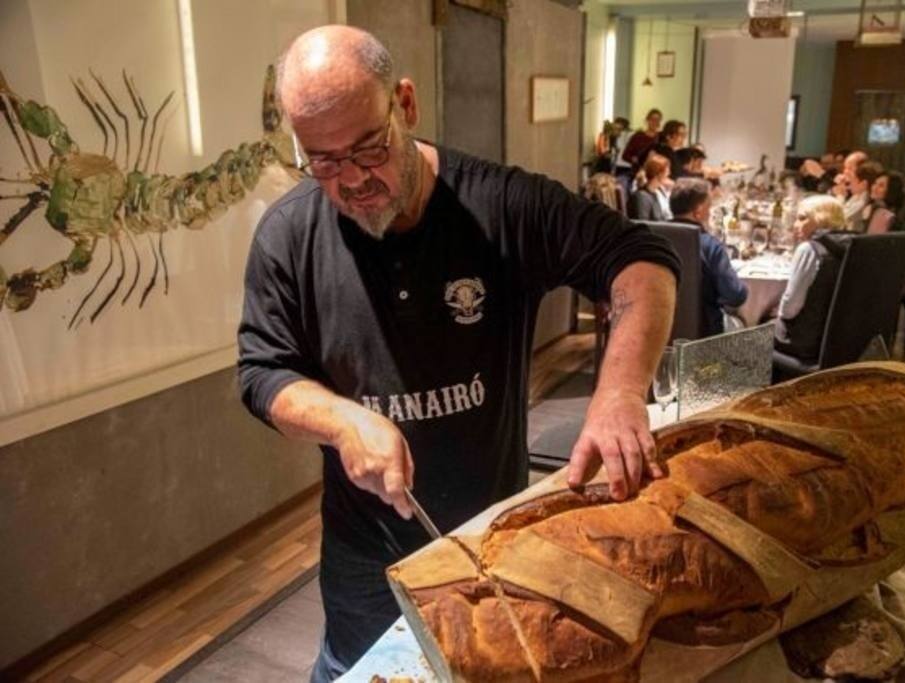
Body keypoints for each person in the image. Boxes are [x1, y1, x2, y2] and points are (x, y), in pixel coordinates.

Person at [236, 26, 682, 681]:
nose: (354, 179)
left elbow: (642, 260)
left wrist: (618, 393)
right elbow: (261, 371)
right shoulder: (288, 236)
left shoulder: (501, 205)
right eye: (324, 162)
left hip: (489, 548)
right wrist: (343, 420)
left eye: (369, 147)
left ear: (406, 105)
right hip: (367, 570)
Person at [774, 195, 853, 362]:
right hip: (838, 342)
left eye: (802, 218)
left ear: (822, 220)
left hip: (804, 342)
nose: (795, 225)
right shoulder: (850, 246)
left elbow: (789, 310)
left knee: (746, 328)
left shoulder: (809, 250)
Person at [669, 178, 748, 337]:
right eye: (709, 207)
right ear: (698, 211)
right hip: (703, 335)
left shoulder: (654, 238)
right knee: (740, 324)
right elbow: (735, 296)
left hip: (661, 331)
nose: (710, 211)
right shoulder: (709, 246)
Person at [628, 153, 673, 221]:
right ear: (659, 174)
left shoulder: (656, 193)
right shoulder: (642, 197)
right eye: (667, 171)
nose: (669, 174)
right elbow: (643, 222)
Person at [845, 160, 884, 232]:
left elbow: (841, 219)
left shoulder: (865, 202)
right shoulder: (857, 196)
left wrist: (840, 196)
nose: (849, 185)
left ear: (863, 184)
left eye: (853, 180)